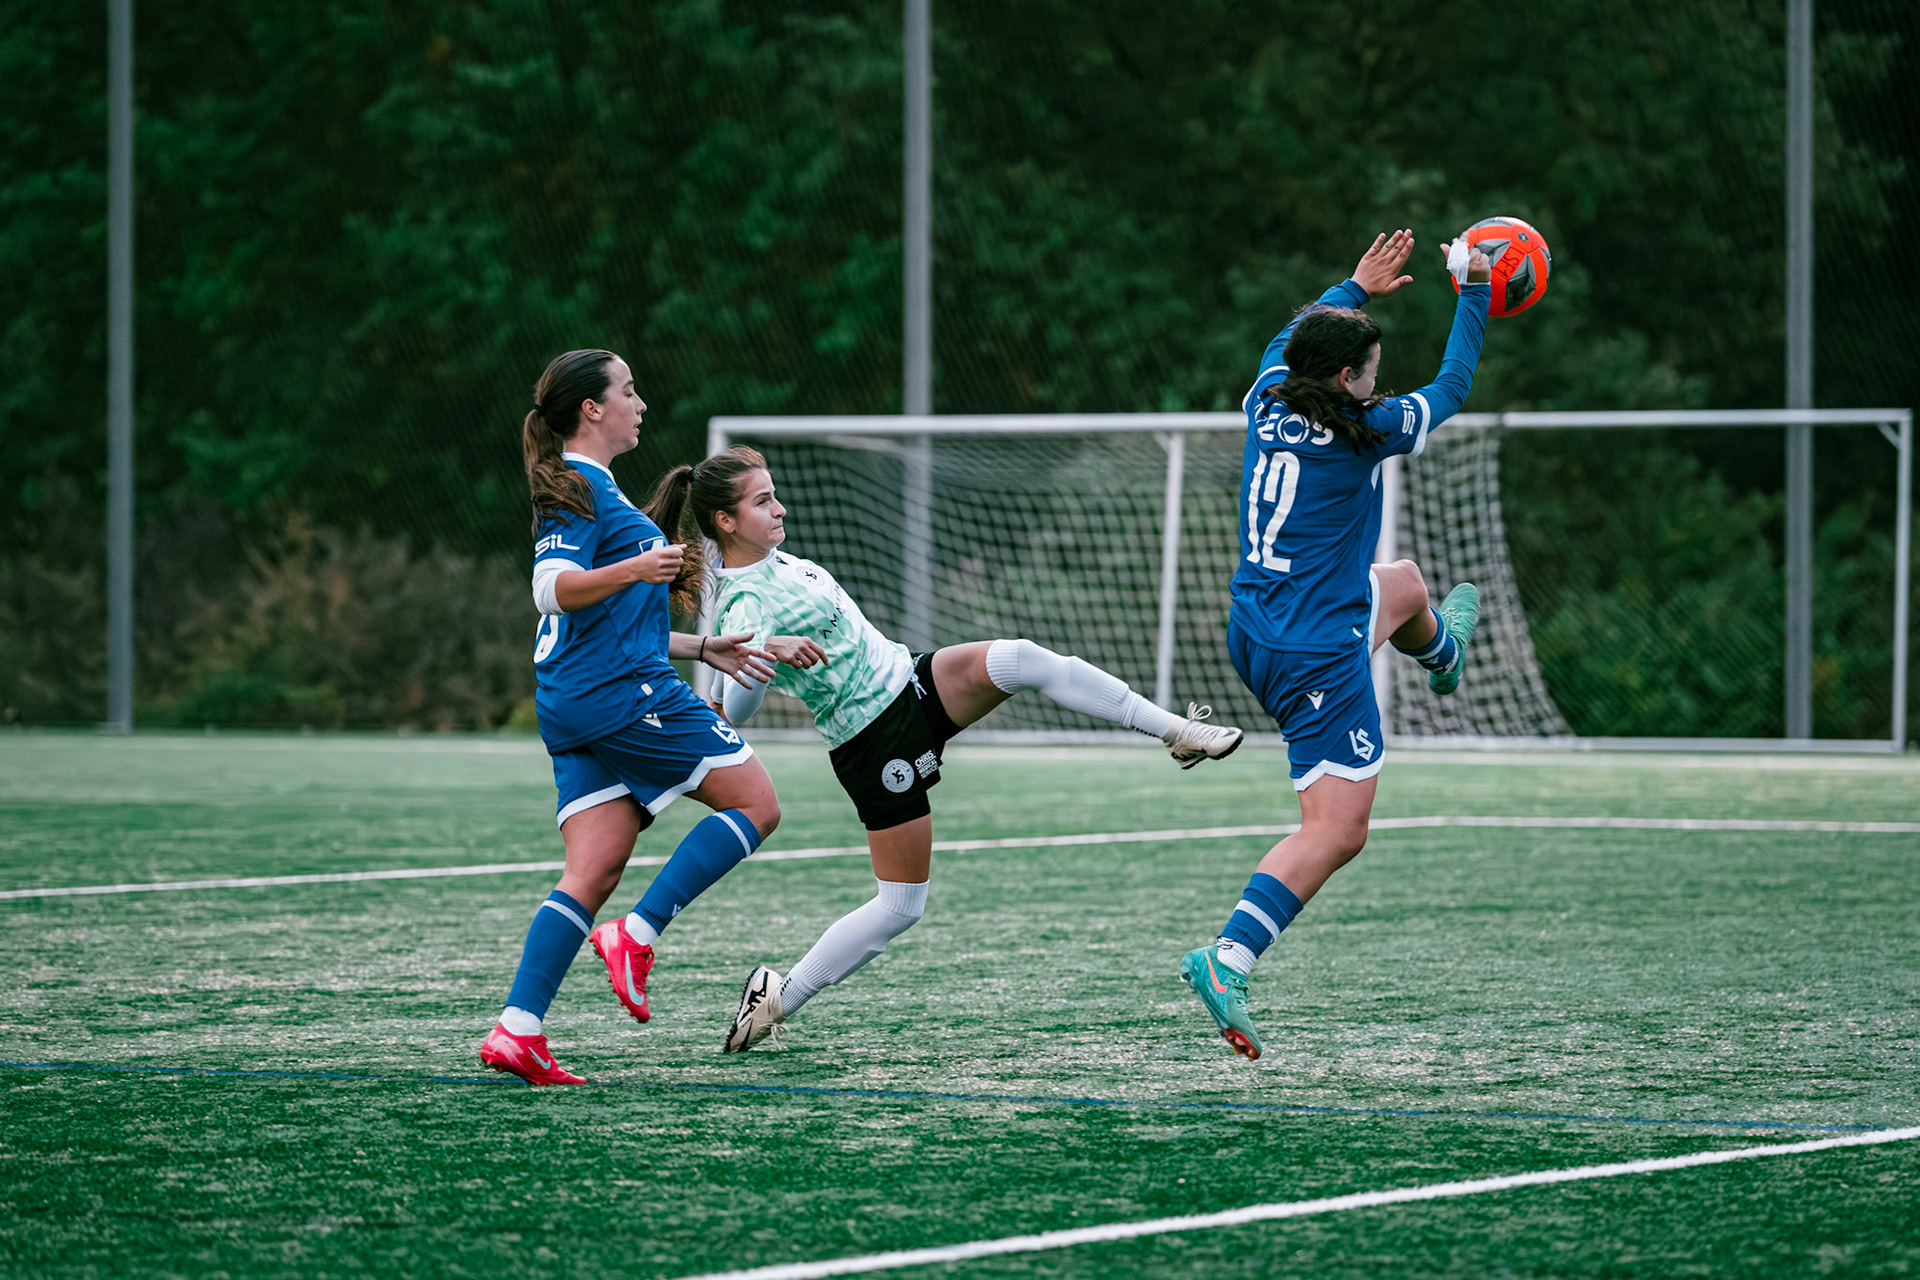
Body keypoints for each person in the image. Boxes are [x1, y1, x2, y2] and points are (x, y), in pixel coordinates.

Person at [666, 449, 1247, 1050]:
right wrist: (760, 663)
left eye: (774, 493)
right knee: (901, 905)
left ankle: (1176, 732)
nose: (779, 507)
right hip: (871, 739)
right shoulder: (743, 599)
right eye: (762, 501)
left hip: (912, 681)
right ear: (727, 523)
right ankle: (778, 997)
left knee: (1022, 658)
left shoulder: (777, 560)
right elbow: (739, 699)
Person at [1180, 230, 1493, 1060]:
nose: (1378, 380)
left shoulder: (1266, 390)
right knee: (1338, 828)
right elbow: (1455, 385)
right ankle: (1228, 957)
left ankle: (1442, 657)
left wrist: (1353, 286)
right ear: (1349, 380)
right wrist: (1478, 288)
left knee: (1409, 585)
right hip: (1318, 653)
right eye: (1371, 369)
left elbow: (1300, 334)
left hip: (1256, 626)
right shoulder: (1367, 429)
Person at [478, 348, 794, 1086]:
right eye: (627, 390)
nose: (640, 401)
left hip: (577, 700)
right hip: (622, 695)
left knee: (593, 869)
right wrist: (638, 567)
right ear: (593, 409)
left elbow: (610, 617)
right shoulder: (578, 490)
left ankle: (518, 1030)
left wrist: (699, 643)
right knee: (757, 803)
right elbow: (551, 590)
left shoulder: (598, 491)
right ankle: (638, 935)